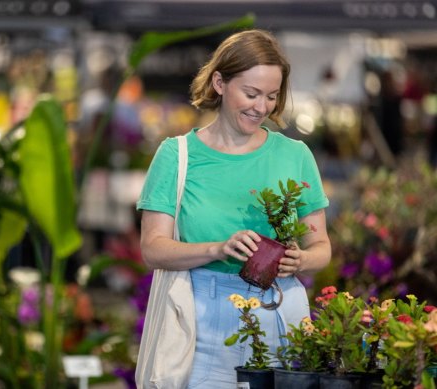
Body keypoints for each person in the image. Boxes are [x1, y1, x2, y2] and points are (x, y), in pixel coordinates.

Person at [136, 29, 331, 387]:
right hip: (201, 325)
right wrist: (217, 248)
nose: (261, 107)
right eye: (251, 93)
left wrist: (300, 260)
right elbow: (153, 248)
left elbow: (322, 249)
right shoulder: (177, 156)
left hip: (280, 318)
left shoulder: (295, 156)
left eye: (271, 96)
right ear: (220, 83)